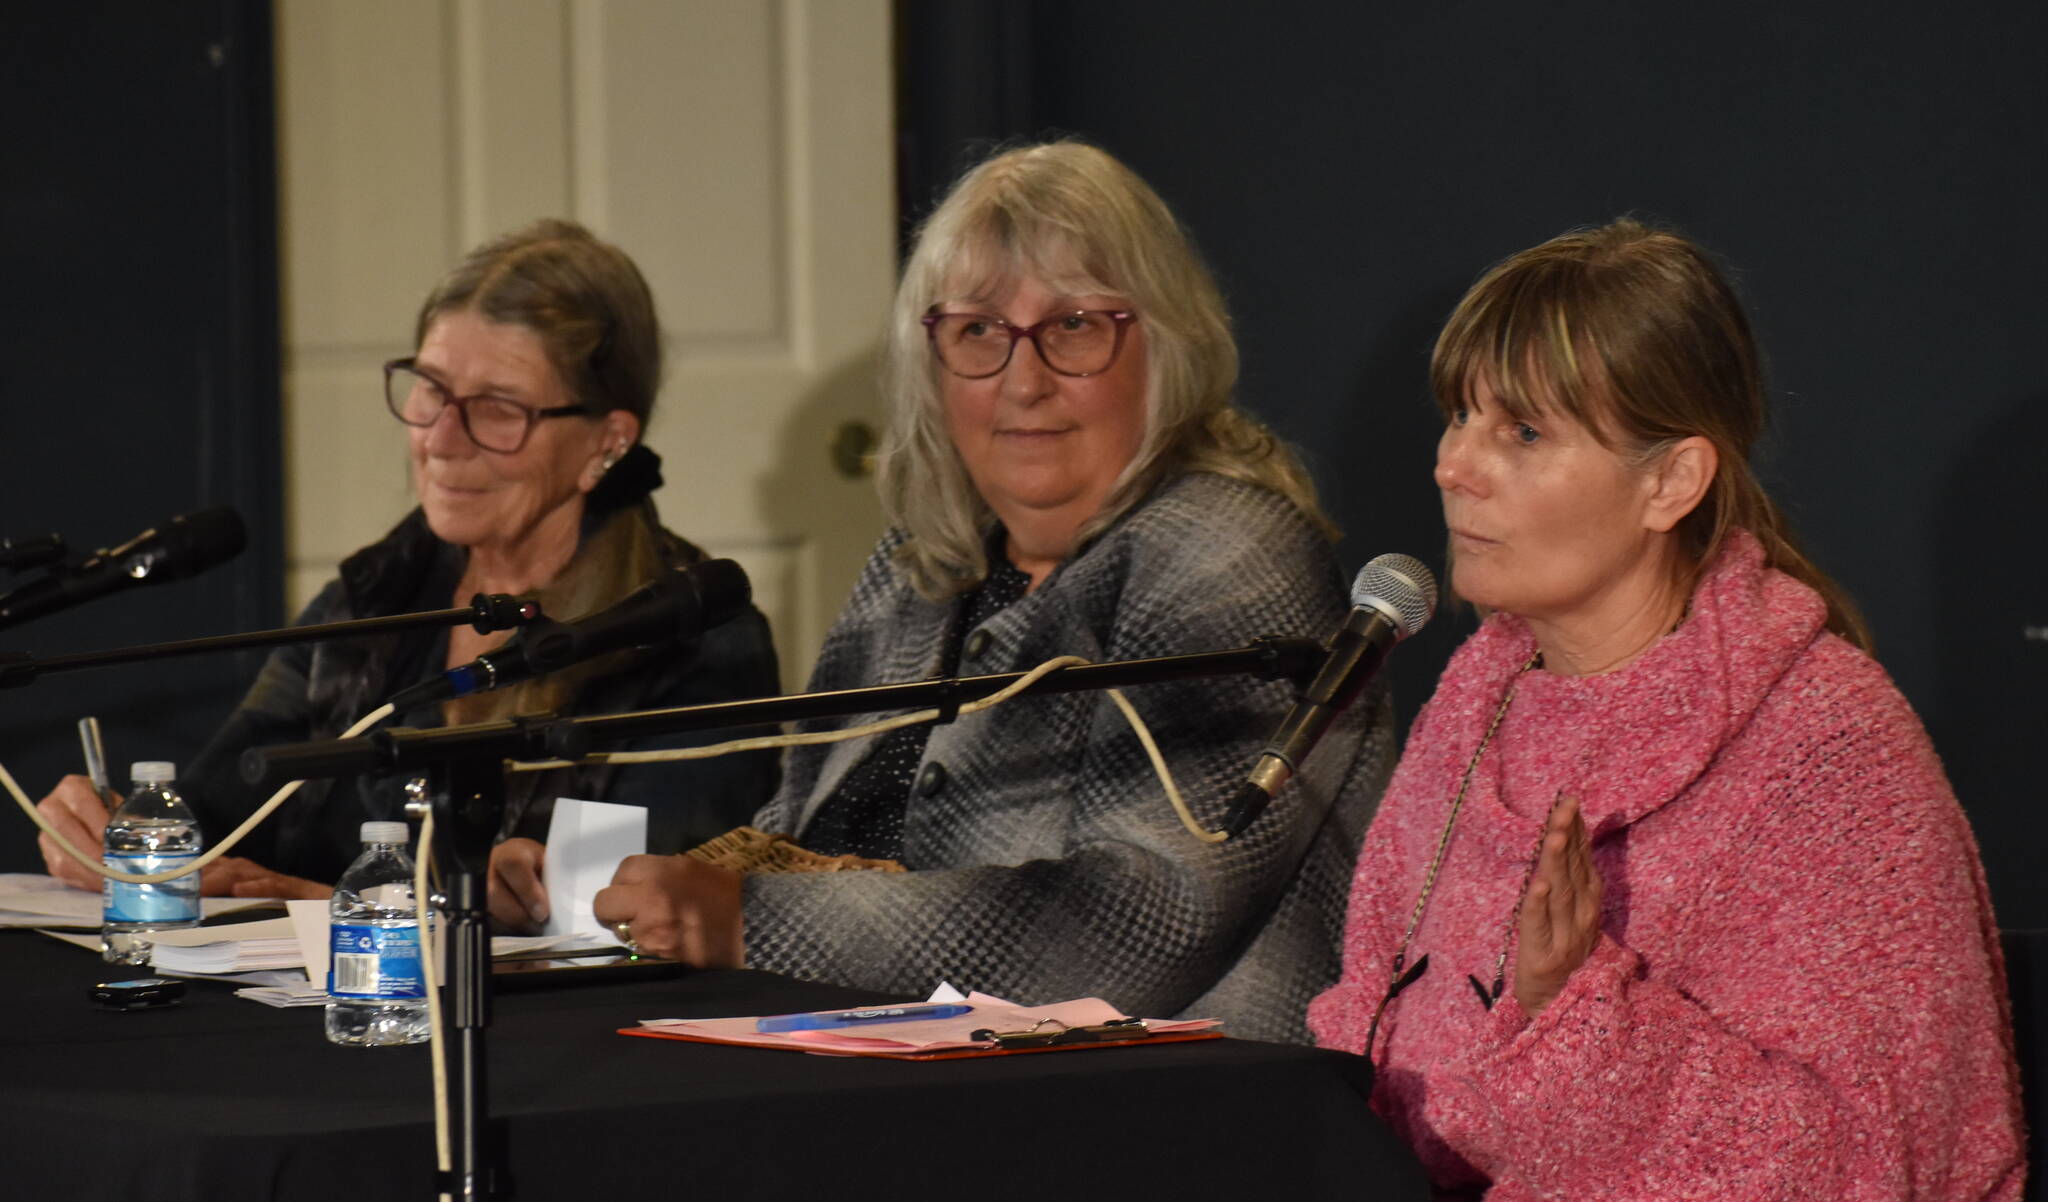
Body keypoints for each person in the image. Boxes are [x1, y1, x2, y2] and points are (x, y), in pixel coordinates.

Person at [498, 142, 1393, 1043]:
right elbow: (795, 838)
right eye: (979, 332)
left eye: (1074, 326)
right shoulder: (920, 563)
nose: (1025, 380)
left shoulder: (1231, 555)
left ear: (1165, 343)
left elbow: (1144, 922)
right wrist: (600, 900)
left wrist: (747, 919)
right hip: (878, 1066)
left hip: (1157, 1103)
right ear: (929, 364)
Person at [1308, 220, 2024, 1197]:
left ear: (1671, 480)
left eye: (1520, 431)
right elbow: (1376, 1036)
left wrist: (1576, 1012)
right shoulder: (1473, 704)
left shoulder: (1827, 743)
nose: (1451, 464)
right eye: (1458, 416)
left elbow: (1881, 1162)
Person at [36, 219, 781, 895]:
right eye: (429, 391)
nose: (440, 439)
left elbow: (635, 925)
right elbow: (218, 816)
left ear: (606, 442)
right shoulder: (373, 596)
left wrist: (329, 907)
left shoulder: (695, 636)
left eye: (496, 408)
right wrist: (119, 836)